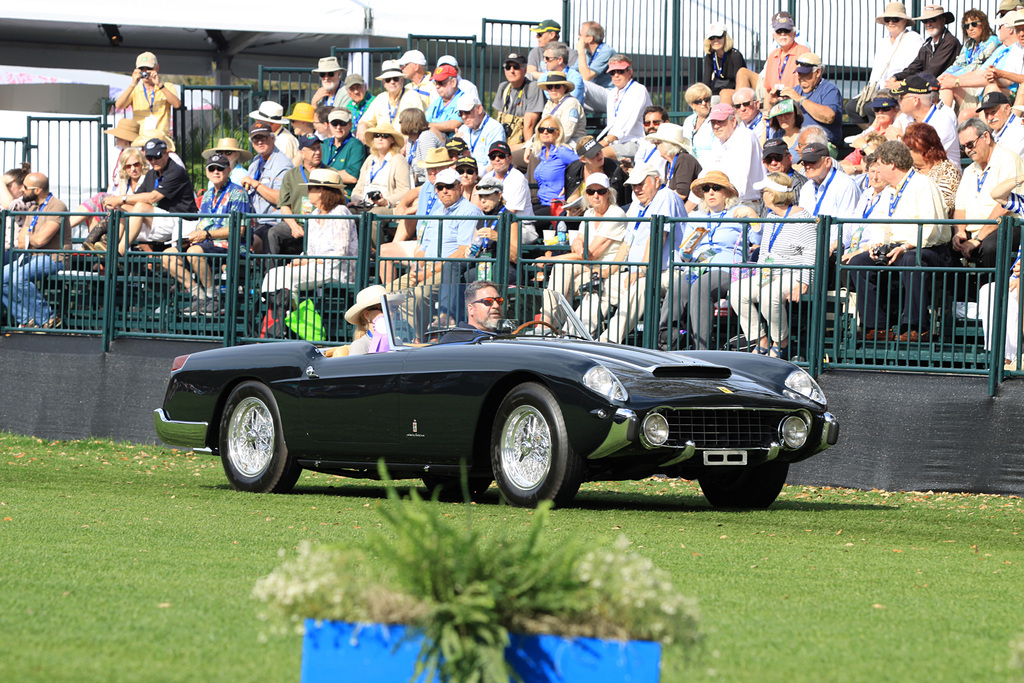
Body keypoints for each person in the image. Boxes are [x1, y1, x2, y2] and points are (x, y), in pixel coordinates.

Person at [846, 140, 952, 342]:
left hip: (929, 248)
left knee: (911, 260)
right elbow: (880, 224)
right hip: (898, 247)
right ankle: (875, 326)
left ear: (892, 164)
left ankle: (914, 326)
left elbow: (931, 229)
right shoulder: (888, 191)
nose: (876, 170)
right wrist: (876, 244)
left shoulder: (923, 184)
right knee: (859, 262)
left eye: (879, 165)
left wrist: (905, 247)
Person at [575, 164, 685, 344]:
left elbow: (658, 237)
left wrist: (642, 269)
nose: (637, 189)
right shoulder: (637, 203)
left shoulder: (665, 196)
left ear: (656, 181)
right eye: (634, 185)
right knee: (598, 286)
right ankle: (574, 334)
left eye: (641, 184)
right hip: (637, 272)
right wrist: (608, 271)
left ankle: (608, 342)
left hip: (665, 273)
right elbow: (627, 243)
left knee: (640, 285)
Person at [661, 171, 758, 350]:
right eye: (706, 189)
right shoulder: (695, 217)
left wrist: (753, 215)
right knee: (677, 287)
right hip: (698, 268)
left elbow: (758, 241)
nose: (711, 192)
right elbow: (684, 256)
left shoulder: (738, 214)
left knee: (701, 287)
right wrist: (688, 254)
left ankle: (701, 349)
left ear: (726, 193)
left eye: (716, 188)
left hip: (727, 269)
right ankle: (667, 342)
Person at [729, 173, 817, 358]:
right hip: (770, 273)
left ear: (774, 194)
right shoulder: (770, 216)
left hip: (793, 272)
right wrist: (759, 274)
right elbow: (765, 251)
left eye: (765, 191)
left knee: (769, 295)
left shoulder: (802, 218)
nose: (762, 194)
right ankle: (760, 339)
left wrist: (804, 282)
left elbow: (811, 253)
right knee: (737, 290)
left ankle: (780, 341)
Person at [161, 154, 251, 316]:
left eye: (220, 168)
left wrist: (206, 234)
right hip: (207, 242)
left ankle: (213, 299)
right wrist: (190, 238)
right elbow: (202, 224)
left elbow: (239, 230)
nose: (216, 171)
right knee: (168, 255)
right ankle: (199, 296)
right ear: (207, 172)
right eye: (212, 168)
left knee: (194, 252)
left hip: (231, 244)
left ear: (229, 170)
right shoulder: (208, 196)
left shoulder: (238, 193)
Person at [259, 168, 358, 305]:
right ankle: (280, 316)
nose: (307, 192)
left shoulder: (341, 212)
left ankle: (288, 317)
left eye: (311, 188)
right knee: (275, 273)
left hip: (335, 270)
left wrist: (308, 261)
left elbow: (340, 253)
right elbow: (310, 251)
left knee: (285, 277)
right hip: (315, 267)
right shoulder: (314, 215)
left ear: (322, 191)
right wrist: (300, 260)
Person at [545, 173, 627, 303]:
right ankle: (549, 321)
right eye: (590, 191)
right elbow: (579, 245)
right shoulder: (588, 213)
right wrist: (577, 240)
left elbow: (591, 254)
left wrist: (549, 259)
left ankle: (548, 321)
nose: (595, 195)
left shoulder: (616, 214)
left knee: (566, 284)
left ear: (608, 193)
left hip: (605, 268)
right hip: (589, 265)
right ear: (586, 195)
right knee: (561, 268)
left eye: (601, 191)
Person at [953, 118, 1024, 268]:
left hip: (1006, 226)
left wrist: (977, 239)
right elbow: (960, 207)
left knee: (990, 246)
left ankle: (990, 289)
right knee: (947, 249)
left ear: (986, 137)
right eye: (963, 147)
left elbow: (1005, 206)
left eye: (970, 144)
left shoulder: (1008, 159)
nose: (967, 150)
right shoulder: (970, 169)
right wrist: (959, 232)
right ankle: (969, 291)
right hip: (976, 231)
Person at [1, 172, 69, 329]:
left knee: (18, 277)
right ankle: (26, 319)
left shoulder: (57, 206)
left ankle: (49, 318)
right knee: (2, 277)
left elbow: (40, 240)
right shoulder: (33, 207)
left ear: (37, 190)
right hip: (33, 257)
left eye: (25, 187)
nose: (22, 190)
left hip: (54, 258)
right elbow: (20, 241)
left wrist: (31, 239)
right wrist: (32, 239)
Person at [110, 138, 197, 255]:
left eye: (157, 157)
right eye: (150, 158)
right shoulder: (151, 174)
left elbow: (152, 198)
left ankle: (117, 253)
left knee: (139, 207)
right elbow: (136, 198)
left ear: (166, 154)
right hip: (161, 220)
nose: (153, 161)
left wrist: (121, 198)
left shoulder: (176, 171)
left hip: (181, 222)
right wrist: (114, 202)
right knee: (122, 208)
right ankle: (110, 246)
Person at [846, 3, 924, 127]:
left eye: (895, 19)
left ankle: (878, 138)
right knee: (851, 107)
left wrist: (899, 83)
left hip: (898, 89)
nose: (891, 23)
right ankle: (872, 134)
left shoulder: (913, 39)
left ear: (904, 21)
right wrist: (867, 93)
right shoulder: (883, 42)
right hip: (879, 89)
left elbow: (916, 68)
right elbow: (876, 72)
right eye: (888, 20)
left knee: (870, 108)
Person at [69, 118, 142, 241]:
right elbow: (113, 182)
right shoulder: (117, 152)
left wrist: (115, 199)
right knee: (95, 210)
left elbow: (128, 188)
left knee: (98, 200)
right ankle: (93, 253)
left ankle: (63, 229)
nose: (116, 138)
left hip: (125, 203)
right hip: (114, 200)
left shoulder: (136, 157)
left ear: (127, 139)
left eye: (119, 136)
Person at [979, 176, 1024, 369]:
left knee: (1018, 290)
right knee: (989, 291)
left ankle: (1019, 357)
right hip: (1018, 274)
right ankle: (1006, 356)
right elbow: (996, 194)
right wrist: (1020, 178)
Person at [263, 133, 323, 256]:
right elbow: (284, 206)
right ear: (301, 153)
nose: (317, 152)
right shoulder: (291, 175)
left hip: (321, 224)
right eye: (312, 149)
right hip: (297, 222)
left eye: (318, 148)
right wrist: (294, 225)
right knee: (272, 234)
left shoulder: (329, 173)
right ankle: (270, 273)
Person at [797, 141, 861, 255]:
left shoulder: (845, 184)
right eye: (805, 162)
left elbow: (848, 227)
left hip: (836, 251)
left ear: (827, 162)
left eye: (812, 161)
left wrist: (830, 248)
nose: (807, 166)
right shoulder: (806, 188)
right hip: (809, 250)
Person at [81, 147, 150, 250]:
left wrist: (119, 202)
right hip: (124, 222)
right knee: (104, 232)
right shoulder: (124, 183)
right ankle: (90, 251)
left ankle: (87, 249)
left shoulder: (148, 179)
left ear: (142, 164)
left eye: (136, 164)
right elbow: (115, 199)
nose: (133, 169)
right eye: (128, 166)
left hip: (142, 222)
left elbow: (146, 202)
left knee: (108, 221)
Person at [240, 122, 294, 253]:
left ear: (272, 138)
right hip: (254, 221)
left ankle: (266, 273)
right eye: (255, 139)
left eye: (263, 137)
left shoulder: (282, 164)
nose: (259, 142)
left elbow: (279, 198)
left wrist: (255, 184)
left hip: (273, 221)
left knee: (256, 240)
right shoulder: (255, 162)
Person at [704, 103, 765, 205]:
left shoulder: (745, 136)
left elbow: (740, 180)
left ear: (733, 121)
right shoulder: (716, 143)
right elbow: (707, 174)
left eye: (721, 121)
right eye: (713, 122)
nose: (716, 126)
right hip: (727, 202)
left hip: (747, 204)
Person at [889, 75, 960, 164]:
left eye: (901, 98)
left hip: (939, 174)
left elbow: (924, 157)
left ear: (915, 100)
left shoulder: (942, 120)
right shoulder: (903, 117)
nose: (899, 102)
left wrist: (899, 140)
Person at [887, 5, 961, 87]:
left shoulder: (950, 42)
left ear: (943, 20)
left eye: (933, 20)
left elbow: (932, 71)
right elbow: (914, 67)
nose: (928, 24)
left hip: (943, 89)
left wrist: (903, 83)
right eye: (925, 21)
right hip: (928, 87)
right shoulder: (928, 43)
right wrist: (896, 77)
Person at [350, 123, 411, 219]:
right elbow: (359, 186)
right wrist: (356, 199)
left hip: (387, 206)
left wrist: (387, 201)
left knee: (373, 217)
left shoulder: (398, 160)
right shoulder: (370, 159)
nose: (380, 138)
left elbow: (405, 190)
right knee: (348, 213)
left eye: (385, 136)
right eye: (376, 135)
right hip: (365, 203)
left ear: (392, 140)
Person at [901, 121, 961, 217]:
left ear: (925, 149)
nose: (906, 153)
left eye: (910, 149)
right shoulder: (910, 171)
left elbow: (946, 208)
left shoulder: (947, 170)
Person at [598, 54, 652, 160]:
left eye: (620, 71)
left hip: (636, 143)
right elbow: (611, 125)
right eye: (613, 73)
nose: (616, 75)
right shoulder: (612, 93)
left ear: (630, 72)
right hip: (616, 143)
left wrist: (603, 143)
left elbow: (624, 126)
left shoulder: (638, 90)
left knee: (598, 154)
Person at [780, 53, 843, 143]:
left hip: (822, 143)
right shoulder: (796, 90)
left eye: (805, 73)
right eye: (799, 73)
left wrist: (801, 100)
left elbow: (829, 117)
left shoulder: (830, 89)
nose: (801, 77)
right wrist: (773, 104)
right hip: (796, 142)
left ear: (817, 72)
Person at [840, 154, 891, 265]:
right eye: (872, 172)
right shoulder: (866, 194)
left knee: (854, 262)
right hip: (853, 248)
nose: (875, 177)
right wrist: (833, 247)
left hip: (873, 250)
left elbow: (880, 236)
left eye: (879, 172)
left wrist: (856, 253)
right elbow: (850, 225)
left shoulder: (890, 196)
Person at [356, 60, 425, 141]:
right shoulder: (380, 98)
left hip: (404, 143)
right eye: (388, 79)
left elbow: (418, 125)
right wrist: (361, 127)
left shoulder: (413, 96)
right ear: (384, 83)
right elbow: (365, 121)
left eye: (395, 79)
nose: (392, 82)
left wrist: (407, 142)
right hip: (383, 144)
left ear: (402, 80)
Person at [114, 52, 180, 133]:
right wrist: (133, 83)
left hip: (161, 139)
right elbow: (119, 105)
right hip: (141, 139)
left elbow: (177, 104)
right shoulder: (135, 89)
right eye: (142, 69)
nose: (145, 72)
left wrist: (159, 85)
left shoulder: (167, 87)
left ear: (157, 68)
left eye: (149, 68)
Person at [480, 141, 535, 238]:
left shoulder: (518, 178)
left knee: (498, 237)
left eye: (501, 156)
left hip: (520, 226)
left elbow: (510, 212)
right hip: (492, 223)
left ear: (510, 158)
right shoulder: (486, 177)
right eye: (493, 156)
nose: (497, 159)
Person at [526, 116, 579, 217]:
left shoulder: (562, 151)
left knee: (526, 220)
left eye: (550, 130)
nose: (545, 132)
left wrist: (570, 185)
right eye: (541, 129)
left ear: (558, 133)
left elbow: (583, 164)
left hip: (557, 205)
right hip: (542, 203)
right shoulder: (541, 154)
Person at [492, 53, 545, 147]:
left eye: (516, 67)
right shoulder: (503, 87)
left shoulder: (533, 87)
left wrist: (529, 149)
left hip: (524, 142)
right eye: (508, 67)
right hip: (505, 140)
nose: (511, 71)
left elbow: (529, 125)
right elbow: (499, 118)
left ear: (525, 70)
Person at [326, 284, 394, 356]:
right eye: (382, 309)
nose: (390, 313)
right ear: (367, 314)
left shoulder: (397, 342)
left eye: (392, 308)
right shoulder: (359, 345)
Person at [646, 122, 702, 206]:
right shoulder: (669, 163)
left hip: (689, 211)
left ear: (668, 145)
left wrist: (658, 203)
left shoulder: (684, 160)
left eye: (658, 143)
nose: (656, 147)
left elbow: (682, 194)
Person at [563, 137, 629, 209]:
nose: (599, 155)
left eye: (599, 150)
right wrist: (571, 212)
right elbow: (572, 198)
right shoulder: (574, 169)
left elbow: (621, 201)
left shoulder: (616, 168)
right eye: (593, 154)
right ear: (583, 159)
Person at [437, 280, 504, 343]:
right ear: (471, 309)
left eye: (499, 301)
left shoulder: (507, 338)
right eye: (488, 301)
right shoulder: (453, 341)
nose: (496, 305)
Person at [844, 96, 900, 170]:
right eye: (876, 109)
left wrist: (855, 168)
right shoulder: (871, 133)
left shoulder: (896, 133)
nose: (880, 112)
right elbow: (853, 158)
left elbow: (888, 163)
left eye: (885, 109)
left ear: (895, 110)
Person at [456, 95, 507, 171]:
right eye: (460, 113)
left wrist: (479, 177)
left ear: (479, 109)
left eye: (467, 112)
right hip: (464, 174)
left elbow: (495, 163)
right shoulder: (462, 129)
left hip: (484, 177)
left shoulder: (494, 128)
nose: (463, 117)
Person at [322, 108, 366, 195]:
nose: (338, 127)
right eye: (335, 123)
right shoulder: (323, 144)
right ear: (329, 125)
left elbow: (352, 177)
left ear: (350, 125)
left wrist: (321, 174)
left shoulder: (356, 145)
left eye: (342, 123)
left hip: (344, 195)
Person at [537, 72, 586, 147]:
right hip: (548, 144)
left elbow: (567, 133)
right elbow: (540, 130)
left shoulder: (572, 103)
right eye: (550, 87)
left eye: (557, 86)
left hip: (570, 145)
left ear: (565, 88)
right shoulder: (548, 104)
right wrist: (530, 146)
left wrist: (545, 146)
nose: (553, 89)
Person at [702, 22, 746, 103]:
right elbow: (706, 82)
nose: (715, 40)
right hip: (716, 92)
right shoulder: (710, 56)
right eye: (712, 38)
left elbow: (741, 82)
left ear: (725, 37)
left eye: (719, 37)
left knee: (717, 99)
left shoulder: (735, 55)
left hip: (733, 93)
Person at [760, 138, 808, 211]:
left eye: (777, 157)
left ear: (789, 158)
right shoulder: (765, 184)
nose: (773, 163)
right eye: (768, 159)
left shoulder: (799, 184)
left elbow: (798, 217)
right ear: (765, 163)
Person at [576, 21, 615, 110]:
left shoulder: (606, 51)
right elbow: (571, 72)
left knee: (583, 84)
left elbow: (586, 76)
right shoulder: (586, 53)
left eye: (581, 35)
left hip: (609, 96)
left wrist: (581, 51)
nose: (578, 37)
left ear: (589, 39)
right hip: (592, 97)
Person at [401, 107, 444, 187]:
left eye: (401, 122)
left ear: (409, 123)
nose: (400, 124)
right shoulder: (411, 140)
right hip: (420, 183)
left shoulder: (426, 137)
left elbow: (428, 168)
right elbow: (410, 169)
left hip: (434, 184)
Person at [250, 101, 300, 168]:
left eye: (259, 121)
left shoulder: (284, 141)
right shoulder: (280, 137)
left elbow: (282, 170)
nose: (256, 123)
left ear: (271, 123)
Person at [979, 90, 1024, 156]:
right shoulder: (996, 131)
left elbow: (1009, 162)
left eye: (993, 112)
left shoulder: (1019, 128)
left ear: (1007, 109)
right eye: (986, 114)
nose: (990, 118)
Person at [426, 65, 466, 138]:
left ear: (453, 82)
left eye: (441, 83)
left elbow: (454, 124)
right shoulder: (436, 102)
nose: (437, 86)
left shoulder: (463, 99)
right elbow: (426, 120)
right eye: (435, 83)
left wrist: (428, 126)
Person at [681, 83, 715, 164]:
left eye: (706, 100)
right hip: (689, 166)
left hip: (710, 166)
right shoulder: (689, 121)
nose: (703, 103)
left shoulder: (715, 119)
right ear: (692, 105)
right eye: (699, 101)